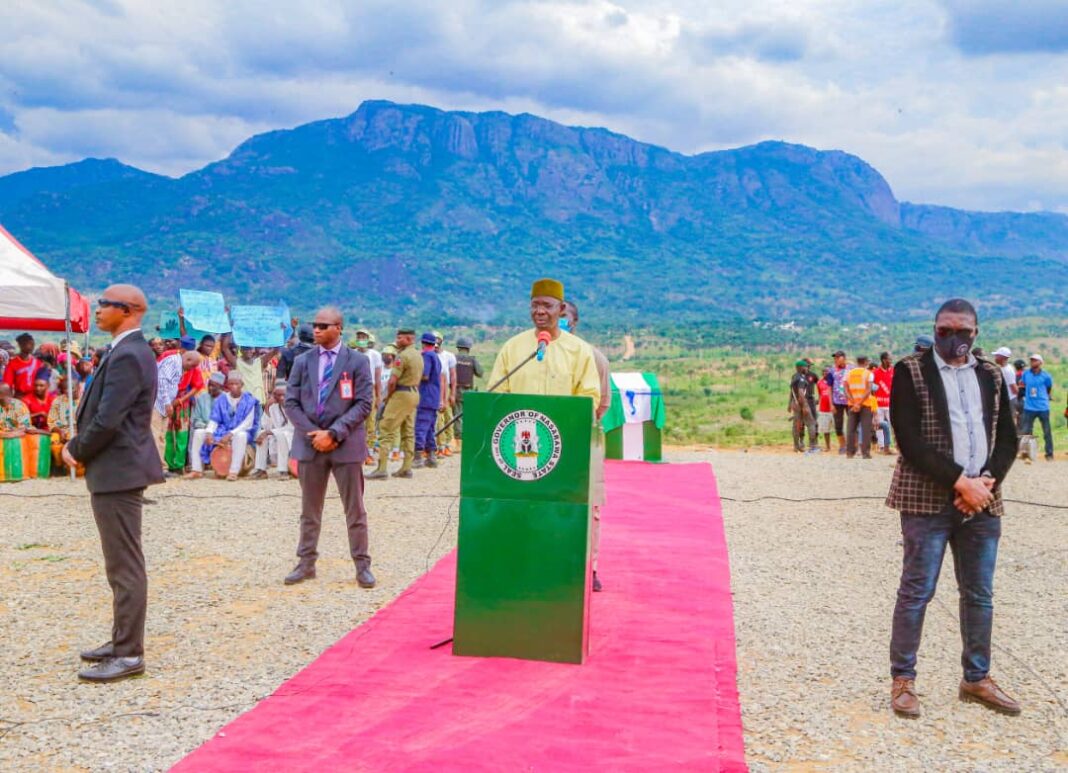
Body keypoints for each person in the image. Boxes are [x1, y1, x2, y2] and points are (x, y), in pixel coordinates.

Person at [886, 298, 1019, 718]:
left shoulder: (991, 375)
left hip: (982, 499)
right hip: (926, 500)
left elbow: (1007, 439)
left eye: (962, 330)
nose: (953, 338)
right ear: (935, 329)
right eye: (945, 330)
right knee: (916, 592)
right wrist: (961, 482)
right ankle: (903, 680)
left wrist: (985, 482)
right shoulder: (910, 372)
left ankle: (976, 678)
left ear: (976, 333)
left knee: (979, 594)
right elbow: (910, 440)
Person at [63, 284, 163, 683]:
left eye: (105, 304)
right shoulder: (125, 351)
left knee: (125, 564)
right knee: (118, 562)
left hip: (118, 469)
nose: (98, 309)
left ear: (130, 311)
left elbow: (108, 418)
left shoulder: (130, 354)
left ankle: (128, 653)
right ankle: (121, 639)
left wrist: (77, 449)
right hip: (116, 469)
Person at [283, 306, 375, 588]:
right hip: (311, 445)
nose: (317, 330)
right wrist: (314, 434)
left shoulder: (357, 361)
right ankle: (306, 563)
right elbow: (291, 402)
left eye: (323, 325)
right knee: (310, 509)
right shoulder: (302, 361)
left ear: (339, 328)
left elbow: (364, 403)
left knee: (354, 509)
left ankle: (362, 566)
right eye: (315, 325)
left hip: (345, 445)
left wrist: (334, 433)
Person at [562, 298, 611, 591]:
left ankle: (588, 568)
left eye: (565, 314)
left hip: (582, 440)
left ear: (574, 321)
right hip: (542, 444)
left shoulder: (594, 358)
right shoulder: (532, 353)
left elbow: (602, 403)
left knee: (588, 507)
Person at [488, 278, 600, 402]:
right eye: (535, 306)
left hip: (562, 420)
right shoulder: (511, 347)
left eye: (547, 306)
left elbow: (590, 396)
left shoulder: (580, 350)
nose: (540, 311)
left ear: (561, 309)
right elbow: (496, 393)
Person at [367, 328, 423, 480]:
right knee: (408, 431)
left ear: (409, 339)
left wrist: (387, 397)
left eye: (401, 338)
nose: (397, 341)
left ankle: (382, 468)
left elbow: (392, 381)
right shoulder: (418, 355)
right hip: (414, 393)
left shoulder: (402, 356)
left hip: (401, 394)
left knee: (386, 428)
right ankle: (406, 467)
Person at [189, 372, 260, 481]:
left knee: (240, 436)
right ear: (227, 385)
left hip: (242, 431)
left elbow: (248, 423)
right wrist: (209, 432)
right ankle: (197, 469)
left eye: (236, 384)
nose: (234, 387)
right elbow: (215, 419)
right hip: (222, 430)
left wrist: (231, 434)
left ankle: (233, 472)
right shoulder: (222, 399)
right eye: (231, 384)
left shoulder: (249, 400)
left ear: (242, 385)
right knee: (199, 433)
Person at [350, 330, 382, 463]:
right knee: (357, 422)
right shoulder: (352, 355)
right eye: (359, 337)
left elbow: (378, 376)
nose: (361, 339)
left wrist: (378, 396)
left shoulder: (374, 355)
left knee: (371, 421)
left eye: (363, 337)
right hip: (356, 389)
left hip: (370, 389)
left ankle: (369, 452)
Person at [413, 332, 445, 469]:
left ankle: (418, 457)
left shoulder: (426, 356)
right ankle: (431, 457)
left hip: (425, 397)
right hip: (434, 397)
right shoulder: (436, 357)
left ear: (423, 343)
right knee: (430, 428)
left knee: (420, 427)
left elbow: (424, 375)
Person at [252, 382, 294, 479]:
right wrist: (267, 407)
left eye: (284, 395)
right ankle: (260, 470)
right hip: (278, 437)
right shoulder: (273, 407)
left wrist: (269, 432)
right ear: (274, 396)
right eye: (278, 395)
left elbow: (292, 427)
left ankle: (283, 471)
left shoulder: (294, 406)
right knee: (261, 433)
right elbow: (265, 425)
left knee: (282, 435)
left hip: (294, 437)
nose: (282, 398)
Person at [1019, 354, 1054, 461]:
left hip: (1043, 407)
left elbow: (1048, 388)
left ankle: (1049, 454)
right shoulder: (1026, 374)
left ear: (1040, 362)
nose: (1032, 362)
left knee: (1047, 431)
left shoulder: (1046, 376)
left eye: (1035, 360)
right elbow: (1022, 386)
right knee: (1026, 431)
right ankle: (1026, 454)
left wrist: (1045, 397)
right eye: (1031, 360)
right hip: (1029, 407)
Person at [188, 372, 225, 472]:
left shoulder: (227, 399)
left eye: (214, 386)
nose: (210, 388)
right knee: (198, 433)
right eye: (209, 385)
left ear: (221, 387)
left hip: (221, 432)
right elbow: (196, 420)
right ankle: (197, 469)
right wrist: (208, 428)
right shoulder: (202, 398)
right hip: (205, 429)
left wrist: (215, 430)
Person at [844, 355, 877, 459]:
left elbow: (846, 390)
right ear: (866, 362)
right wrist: (859, 403)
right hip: (865, 404)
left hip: (852, 405)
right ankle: (865, 453)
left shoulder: (849, 373)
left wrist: (854, 403)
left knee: (851, 429)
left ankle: (849, 452)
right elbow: (868, 390)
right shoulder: (869, 374)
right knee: (866, 429)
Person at [453, 336, 483, 443]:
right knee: (469, 414)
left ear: (458, 347)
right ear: (469, 348)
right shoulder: (472, 360)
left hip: (455, 391)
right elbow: (480, 373)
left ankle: (458, 437)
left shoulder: (453, 358)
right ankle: (469, 436)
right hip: (469, 391)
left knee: (457, 414)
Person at [48, 373, 79, 474]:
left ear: (78, 387)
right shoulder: (58, 401)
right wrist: (60, 431)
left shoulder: (85, 400)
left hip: (79, 431)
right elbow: (51, 421)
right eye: (66, 388)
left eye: (72, 388)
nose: (69, 391)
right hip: (61, 430)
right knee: (54, 441)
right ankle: (59, 467)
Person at [434, 332, 458, 456]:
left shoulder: (448, 356)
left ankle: (448, 444)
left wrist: (452, 393)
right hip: (434, 389)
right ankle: (439, 445)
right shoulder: (430, 356)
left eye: (438, 340)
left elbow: (453, 376)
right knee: (439, 419)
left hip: (446, 388)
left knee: (448, 417)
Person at [788, 360, 819, 453]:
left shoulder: (795, 377)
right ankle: (813, 446)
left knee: (796, 425)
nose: (807, 368)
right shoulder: (801, 379)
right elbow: (801, 392)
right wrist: (805, 406)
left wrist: (790, 403)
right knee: (811, 423)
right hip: (802, 403)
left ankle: (796, 446)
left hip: (795, 403)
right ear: (800, 368)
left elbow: (793, 392)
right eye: (806, 367)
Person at [2, 333, 43, 399]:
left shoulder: (38, 363)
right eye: (29, 343)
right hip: (20, 398)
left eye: (33, 344)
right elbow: (7, 385)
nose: (32, 346)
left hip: (35, 399)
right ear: (21, 345)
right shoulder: (13, 364)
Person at [825, 350, 851, 454]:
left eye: (837, 357)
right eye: (834, 358)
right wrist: (831, 404)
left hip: (850, 402)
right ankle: (842, 446)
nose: (835, 359)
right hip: (837, 402)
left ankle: (853, 446)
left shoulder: (851, 369)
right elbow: (829, 388)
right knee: (838, 425)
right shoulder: (831, 371)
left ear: (843, 358)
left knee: (853, 424)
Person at [873, 351, 895, 455]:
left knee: (894, 425)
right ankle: (882, 446)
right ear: (883, 360)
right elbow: (872, 389)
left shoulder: (893, 371)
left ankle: (895, 446)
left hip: (891, 404)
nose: (890, 361)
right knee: (879, 426)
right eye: (889, 359)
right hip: (878, 404)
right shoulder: (875, 373)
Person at [816, 367, 834, 452]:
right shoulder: (819, 382)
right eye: (823, 371)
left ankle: (843, 446)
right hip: (823, 409)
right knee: (825, 429)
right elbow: (820, 395)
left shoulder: (834, 382)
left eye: (827, 371)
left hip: (833, 409)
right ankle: (828, 447)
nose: (825, 373)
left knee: (838, 428)